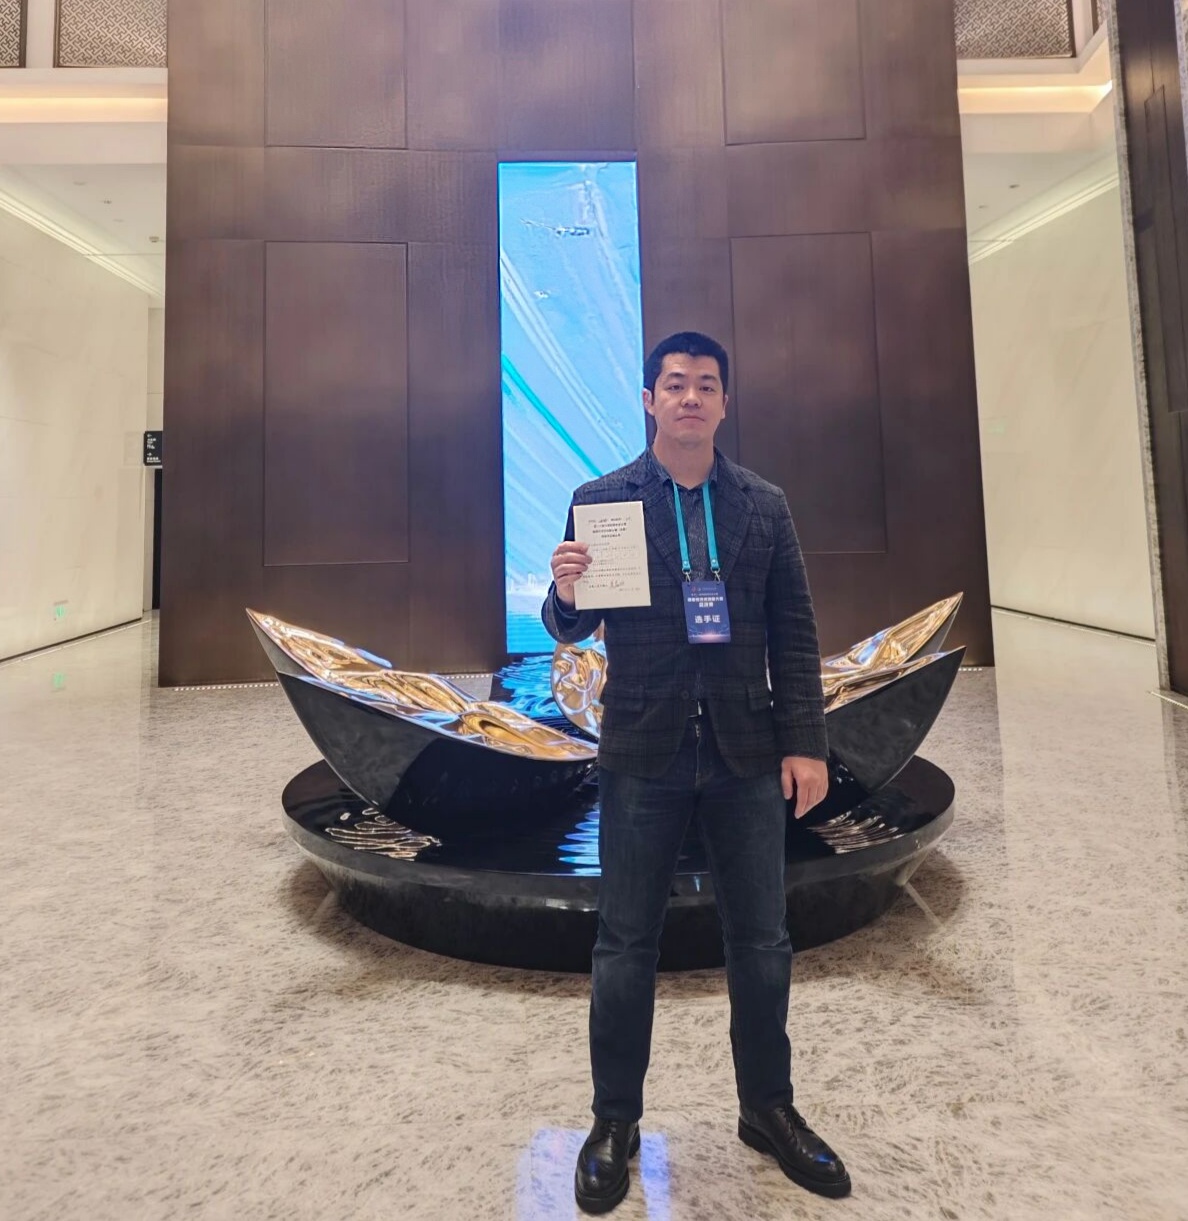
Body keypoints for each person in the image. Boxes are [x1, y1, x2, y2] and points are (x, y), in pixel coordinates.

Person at [542, 332, 851, 1213]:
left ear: (723, 402)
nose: (690, 397)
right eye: (674, 384)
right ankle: (614, 1122)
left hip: (747, 752)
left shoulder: (764, 504)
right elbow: (570, 625)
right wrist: (564, 593)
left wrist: (806, 741)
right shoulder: (601, 501)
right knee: (624, 942)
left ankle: (768, 1108)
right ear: (649, 399)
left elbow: (794, 629)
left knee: (761, 939)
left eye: (705, 385)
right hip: (643, 749)